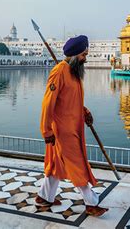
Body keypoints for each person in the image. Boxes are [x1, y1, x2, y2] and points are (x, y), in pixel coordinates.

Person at [36, 35, 109, 217]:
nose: (86, 58)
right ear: (76, 55)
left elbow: (71, 101)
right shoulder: (59, 72)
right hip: (62, 130)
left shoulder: (73, 72)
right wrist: (46, 130)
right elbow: (48, 103)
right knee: (77, 166)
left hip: (72, 126)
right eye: (84, 54)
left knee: (56, 165)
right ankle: (91, 203)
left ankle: (44, 197)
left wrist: (85, 112)